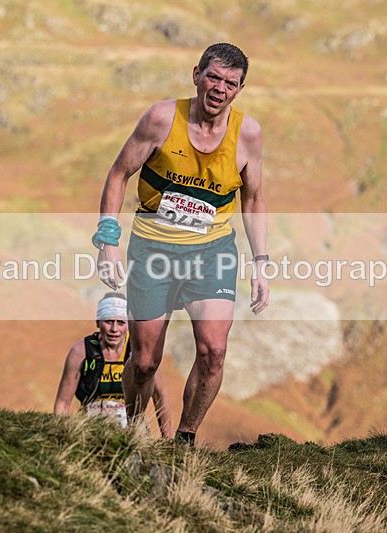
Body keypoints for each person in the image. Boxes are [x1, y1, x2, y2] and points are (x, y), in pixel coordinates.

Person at [92, 43, 270, 445]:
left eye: (230, 83)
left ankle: (184, 440)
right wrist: (108, 243)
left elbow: (254, 198)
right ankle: (133, 434)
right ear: (196, 74)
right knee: (144, 362)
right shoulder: (160, 118)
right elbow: (119, 174)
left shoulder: (248, 133)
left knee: (213, 352)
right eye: (213, 77)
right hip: (153, 250)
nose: (220, 89)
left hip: (212, 253)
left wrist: (261, 263)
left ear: (239, 90)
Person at [53, 292, 173, 438]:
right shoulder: (81, 351)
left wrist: (168, 441)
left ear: (129, 325)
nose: (114, 329)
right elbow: (63, 403)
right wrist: (61, 437)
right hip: (90, 426)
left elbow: (160, 397)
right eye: (108, 321)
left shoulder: (141, 354)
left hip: (133, 430)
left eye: (121, 322)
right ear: (98, 322)